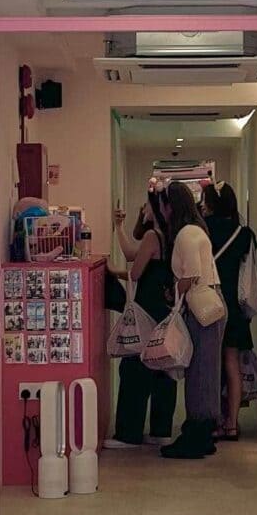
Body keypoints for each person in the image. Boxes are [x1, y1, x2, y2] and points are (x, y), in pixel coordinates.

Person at [159, 180, 227, 459]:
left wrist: (172, 292)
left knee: (198, 373)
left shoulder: (185, 234)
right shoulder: (197, 229)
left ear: (170, 206)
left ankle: (196, 434)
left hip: (201, 310)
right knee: (208, 370)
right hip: (211, 304)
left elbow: (191, 275)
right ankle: (204, 431)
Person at [104, 190, 176, 448]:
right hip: (164, 309)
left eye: (146, 205)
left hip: (146, 308)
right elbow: (135, 256)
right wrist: (119, 228)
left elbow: (135, 271)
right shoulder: (171, 235)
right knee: (162, 366)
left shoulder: (152, 236)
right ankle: (161, 430)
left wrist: (115, 272)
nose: (143, 209)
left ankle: (129, 433)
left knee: (134, 368)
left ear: (156, 208)